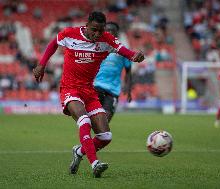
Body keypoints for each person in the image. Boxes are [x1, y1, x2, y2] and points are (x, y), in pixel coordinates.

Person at [33, 11, 144, 178]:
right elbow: (53, 43)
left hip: (89, 91)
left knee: (106, 137)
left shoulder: (106, 39)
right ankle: (95, 163)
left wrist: (136, 56)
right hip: (70, 88)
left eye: (101, 30)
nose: (97, 34)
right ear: (87, 25)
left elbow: (126, 52)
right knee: (83, 120)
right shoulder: (70, 34)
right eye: (94, 30)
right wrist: (41, 65)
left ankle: (79, 151)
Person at [95, 21, 132, 122]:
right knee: (93, 119)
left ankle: (98, 136)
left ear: (117, 33)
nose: (110, 32)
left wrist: (128, 89)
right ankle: (88, 137)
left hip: (113, 90)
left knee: (106, 120)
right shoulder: (96, 47)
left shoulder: (123, 50)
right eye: (108, 30)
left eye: (113, 30)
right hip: (96, 87)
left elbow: (128, 70)